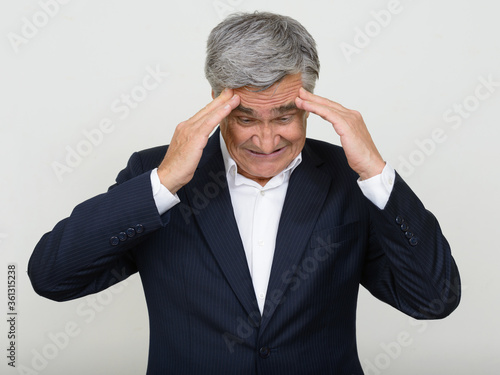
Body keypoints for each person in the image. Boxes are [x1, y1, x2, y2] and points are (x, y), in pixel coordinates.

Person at [28, 12, 460, 375]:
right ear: (217, 101)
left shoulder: (350, 179)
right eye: (247, 118)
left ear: (307, 100)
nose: (267, 140)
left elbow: (434, 300)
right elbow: (52, 278)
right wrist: (163, 184)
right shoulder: (156, 175)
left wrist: (378, 175)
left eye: (285, 116)